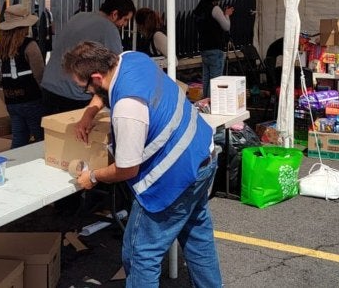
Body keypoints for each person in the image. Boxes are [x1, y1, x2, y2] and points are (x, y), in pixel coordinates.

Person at [64, 41, 222, 288]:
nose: (88, 93)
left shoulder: (127, 108)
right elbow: (102, 92)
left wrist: (93, 177)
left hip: (174, 179)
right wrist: (88, 113)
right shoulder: (131, 58)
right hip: (203, 156)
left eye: (84, 88)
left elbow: (127, 169)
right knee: (197, 237)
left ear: (96, 76)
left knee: (141, 254)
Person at [41, 0, 135, 119]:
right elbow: (117, 65)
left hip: (49, 86)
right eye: (126, 19)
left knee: (51, 135)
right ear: (115, 14)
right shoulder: (109, 28)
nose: (125, 25)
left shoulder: (79, 16)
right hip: (74, 94)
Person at [0, 4, 46, 148]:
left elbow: (0, 74)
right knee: (40, 137)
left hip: (11, 99)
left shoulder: (0, 47)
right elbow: (39, 73)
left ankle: (14, 165)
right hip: (31, 99)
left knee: (19, 137)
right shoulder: (30, 45)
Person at [193, 0, 233, 98]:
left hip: (204, 48)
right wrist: (227, 15)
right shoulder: (215, 9)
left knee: (206, 78)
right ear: (215, 0)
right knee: (215, 80)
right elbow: (226, 26)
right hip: (215, 47)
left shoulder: (199, 10)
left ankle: (205, 102)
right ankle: (212, 104)